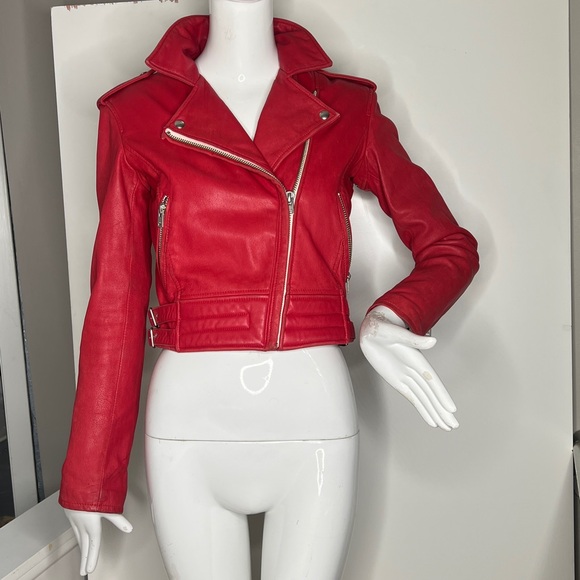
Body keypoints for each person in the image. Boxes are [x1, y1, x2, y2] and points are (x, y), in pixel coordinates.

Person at [59, 1, 479, 577]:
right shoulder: (135, 114)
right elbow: (115, 300)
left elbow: (450, 246)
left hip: (312, 412)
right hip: (189, 419)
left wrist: (392, 316)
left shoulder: (346, 107)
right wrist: (91, 478)